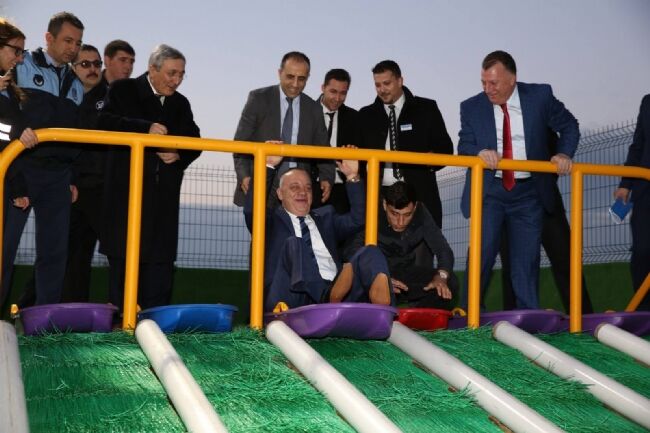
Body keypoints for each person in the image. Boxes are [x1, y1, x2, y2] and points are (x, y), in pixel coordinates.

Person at [458, 50, 579, 310]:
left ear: (512, 79)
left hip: (529, 194)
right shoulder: (471, 107)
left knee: (526, 263)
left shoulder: (540, 96)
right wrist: (479, 152)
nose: (488, 89)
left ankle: (528, 320)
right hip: (490, 192)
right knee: (481, 256)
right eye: (483, 82)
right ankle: (467, 319)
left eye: (494, 83)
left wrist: (563, 153)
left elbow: (570, 125)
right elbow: (464, 145)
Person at [98, 44, 201, 310]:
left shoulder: (181, 103)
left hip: (162, 205)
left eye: (181, 74)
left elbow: (196, 141)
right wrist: (145, 130)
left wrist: (178, 154)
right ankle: (121, 332)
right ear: (152, 69)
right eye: (171, 73)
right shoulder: (123, 90)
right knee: (122, 281)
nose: (176, 80)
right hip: (125, 201)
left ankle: (155, 332)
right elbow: (104, 123)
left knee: (159, 279)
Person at [244, 151, 393, 312]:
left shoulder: (326, 217)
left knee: (370, 252)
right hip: (292, 295)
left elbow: (359, 219)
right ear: (280, 194)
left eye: (308, 188)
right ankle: (325, 297)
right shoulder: (270, 222)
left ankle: (383, 311)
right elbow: (252, 210)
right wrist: (268, 166)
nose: (303, 192)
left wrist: (352, 176)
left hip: (338, 291)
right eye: (295, 187)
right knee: (295, 243)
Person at [10, 12, 84, 306]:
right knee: (5, 247)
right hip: (21, 169)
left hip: (58, 177)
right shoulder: (22, 65)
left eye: (78, 43)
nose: (73, 48)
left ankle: (45, 322)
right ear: (49, 38)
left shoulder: (76, 83)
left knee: (54, 253)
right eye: (68, 40)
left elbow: (76, 135)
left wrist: (72, 177)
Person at [62, 41, 136, 302]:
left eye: (131, 61)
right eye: (85, 64)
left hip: (112, 188)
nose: (128, 66)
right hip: (81, 187)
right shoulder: (77, 95)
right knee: (72, 253)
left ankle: (122, 309)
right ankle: (61, 310)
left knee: (121, 252)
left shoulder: (126, 96)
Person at [500, 130, 593, 313]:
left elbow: (555, 147)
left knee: (565, 258)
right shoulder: (491, 121)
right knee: (513, 264)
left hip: (543, 197)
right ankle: (514, 318)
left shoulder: (538, 117)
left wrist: (543, 177)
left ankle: (582, 317)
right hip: (507, 200)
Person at [358, 60, 453, 228]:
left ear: (400, 81)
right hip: (379, 197)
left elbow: (445, 148)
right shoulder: (365, 116)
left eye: (387, 83)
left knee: (423, 244)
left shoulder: (426, 108)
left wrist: (431, 160)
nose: (382, 89)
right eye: (377, 85)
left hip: (419, 194)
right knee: (378, 244)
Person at [233, 51, 333, 209]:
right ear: (280, 73)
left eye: (301, 79)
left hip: (298, 191)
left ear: (308, 78)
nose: (295, 84)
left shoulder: (314, 109)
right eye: (290, 76)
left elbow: (323, 147)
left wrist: (327, 177)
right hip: (262, 183)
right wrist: (244, 176)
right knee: (259, 226)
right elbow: (240, 142)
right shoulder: (258, 99)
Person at [350, 181, 457, 309]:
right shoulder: (372, 212)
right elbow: (353, 253)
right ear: (384, 205)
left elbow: (443, 249)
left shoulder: (421, 213)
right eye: (394, 214)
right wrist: (377, 279)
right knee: (354, 284)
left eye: (407, 215)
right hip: (376, 276)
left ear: (415, 207)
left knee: (450, 282)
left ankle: (415, 319)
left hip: (405, 276)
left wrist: (441, 276)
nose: (400, 222)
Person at [0, 18, 39, 311]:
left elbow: (9, 144)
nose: (21, 58)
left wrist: (18, 187)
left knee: (4, 257)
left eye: (23, 52)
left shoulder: (12, 92)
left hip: (8, 185)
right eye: (16, 50)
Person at [614, 94, 650, 310]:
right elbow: (638, 145)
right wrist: (625, 184)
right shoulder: (648, 102)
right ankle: (644, 312)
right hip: (646, 189)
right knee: (643, 251)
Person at [313, 68, 359, 212]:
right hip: (310, 187)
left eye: (343, 93)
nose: (338, 98)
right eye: (333, 91)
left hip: (343, 192)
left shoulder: (354, 118)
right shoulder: (306, 113)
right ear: (323, 88)